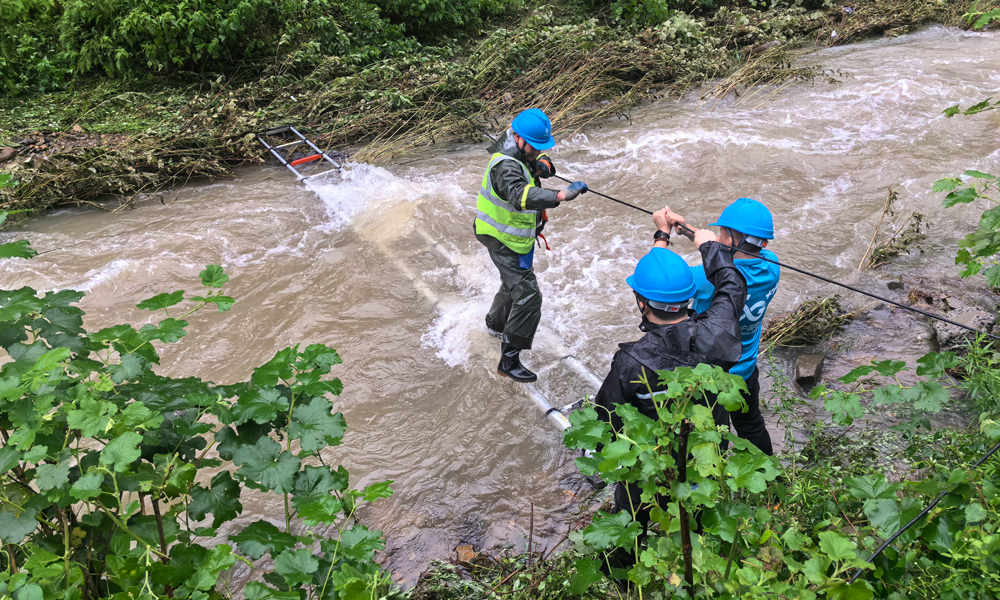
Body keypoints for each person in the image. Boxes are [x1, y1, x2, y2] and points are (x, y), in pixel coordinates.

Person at [594, 227, 746, 538]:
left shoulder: (631, 363)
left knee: (632, 515)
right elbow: (732, 285)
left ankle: (628, 568)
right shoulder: (719, 331)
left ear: (641, 302)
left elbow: (606, 419)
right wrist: (708, 246)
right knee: (702, 509)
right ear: (689, 296)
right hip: (706, 456)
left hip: (653, 467)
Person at [654, 198, 779, 455]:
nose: (720, 237)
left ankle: (715, 478)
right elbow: (725, 259)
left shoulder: (703, 280)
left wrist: (663, 233)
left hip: (709, 377)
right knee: (752, 426)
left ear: (733, 239)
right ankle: (768, 477)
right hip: (745, 370)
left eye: (722, 233)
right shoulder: (772, 265)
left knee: (712, 435)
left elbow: (660, 277)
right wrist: (689, 231)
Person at [474, 108, 588, 383]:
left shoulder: (518, 145)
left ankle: (495, 324)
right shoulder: (505, 165)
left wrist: (542, 163)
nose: (538, 152)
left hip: (512, 236)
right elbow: (519, 194)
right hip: (501, 238)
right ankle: (509, 361)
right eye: (535, 148)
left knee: (512, 284)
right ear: (518, 138)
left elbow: (534, 161)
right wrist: (560, 194)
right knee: (529, 296)